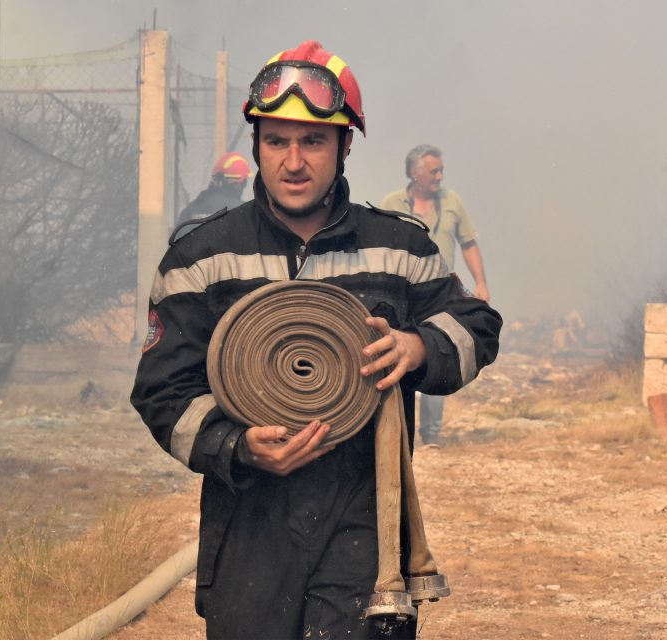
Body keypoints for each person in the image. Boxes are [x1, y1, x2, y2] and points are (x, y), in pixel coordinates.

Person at [131, 40, 501, 640]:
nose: (294, 161)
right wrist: (239, 447)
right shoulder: (201, 258)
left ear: (345, 146)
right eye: (276, 141)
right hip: (248, 523)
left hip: (365, 525)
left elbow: (478, 326)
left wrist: (416, 349)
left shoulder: (400, 249)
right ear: (255, 144)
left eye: (314, 142)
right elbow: (161, 392)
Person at [379, 145, 490, 446]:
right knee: (403, 356)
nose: (440, 176)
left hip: (439, 294)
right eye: (434, 171)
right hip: (400, 295)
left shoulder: (452, 202)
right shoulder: (391, 202)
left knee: (438, 350)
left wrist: (480, 283)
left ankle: (432, 433)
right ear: (415, 173)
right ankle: (398, 428)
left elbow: (468, 243)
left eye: (441, 171)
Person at [175, 151, 251, 224]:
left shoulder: (191, 210)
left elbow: (179, 235)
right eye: (244, 182)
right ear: (241, 183)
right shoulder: (244, 212)